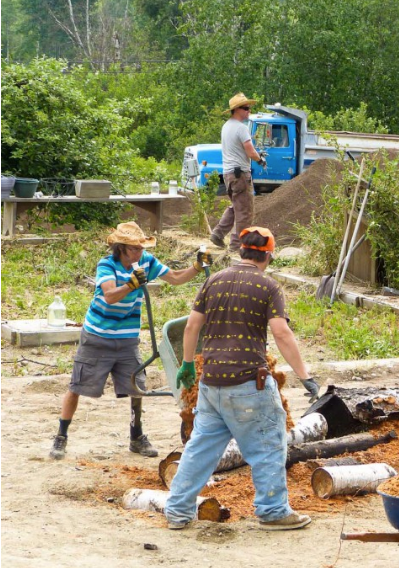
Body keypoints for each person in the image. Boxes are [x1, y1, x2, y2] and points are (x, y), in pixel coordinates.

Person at [165, 227, 317, 531]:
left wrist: (187, 364)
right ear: (269, 255)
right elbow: (281, 333)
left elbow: (192, 326)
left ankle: (177, 511)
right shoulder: (268, 286)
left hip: (211, 384)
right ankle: (273, 511)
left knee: (201, 447)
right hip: (249, 383)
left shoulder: (214, 281)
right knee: (269, 443)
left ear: (241, 251)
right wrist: (305, 375)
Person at [49, 222, 210, 460]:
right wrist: (131, 284)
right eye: (134, 248)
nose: (139, 252)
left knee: (137, 387)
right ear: (121, 248)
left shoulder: (146, 261)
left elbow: (175, 278)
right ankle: (61, 436)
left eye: (141, 247)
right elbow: (110, 295)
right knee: (77, 386)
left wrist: (197, 266)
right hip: (98, 336)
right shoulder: (107, 264)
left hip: (127, 338)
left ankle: (136, 437)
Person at [210, 93, 267, 252]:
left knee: (236, 206)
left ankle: (218, 233)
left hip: (229, 174)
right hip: (240, 174)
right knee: (245, 212)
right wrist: (260, 160)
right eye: (246, 108)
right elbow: (250, 151)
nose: (249, 111)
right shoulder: (241, 128)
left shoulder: (226, 126)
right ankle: (237, 246)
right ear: (237, 110)